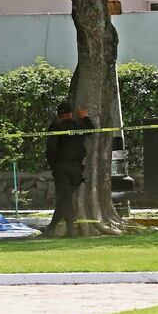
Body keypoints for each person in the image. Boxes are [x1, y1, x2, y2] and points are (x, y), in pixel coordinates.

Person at [42, 101, 95, 238]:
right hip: (76, 169)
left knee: (64, 199)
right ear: (71, 113)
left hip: (61, 168)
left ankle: (69, 230)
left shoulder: (56, 127)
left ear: (59, 115)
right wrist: (84, 116)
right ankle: (53, 227)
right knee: (64, 198)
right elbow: (91, 129)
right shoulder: (78, 125)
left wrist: (54, 165)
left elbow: (51, 149)